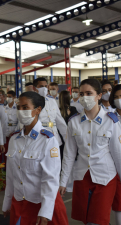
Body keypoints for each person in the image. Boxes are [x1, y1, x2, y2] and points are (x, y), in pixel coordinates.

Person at [59, 78, 121, 225]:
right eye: (81, 93)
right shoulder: (73, 122)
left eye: (89, 93)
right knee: (87, 220)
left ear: (99, 95)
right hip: (82, 177)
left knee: (98, 220)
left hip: (105, 177)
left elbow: (118, 154)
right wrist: (63, 181)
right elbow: (69, 154)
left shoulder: (111, 121)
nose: (84, 97)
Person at [2, 91, 68, 225]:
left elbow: (51, 179)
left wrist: (45, 212)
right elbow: (10, 176)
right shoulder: (14, 139)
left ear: (38, 110)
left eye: (25, 107)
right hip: (19, 203)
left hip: (41, 205)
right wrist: (7, 203)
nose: (21, 111)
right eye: (19, 107)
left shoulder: (47, 139)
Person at [32, 78, 67, 148]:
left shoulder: (52, 100)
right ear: (34, 88)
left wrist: (67, 140)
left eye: (45, 86)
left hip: (54, 138)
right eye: (41, 86)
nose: (44, 88)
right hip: (39, 139)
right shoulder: (31, 102)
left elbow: (60, 122)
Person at [109, 84, 121, 225]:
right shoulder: (110, 118)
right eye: (116, 97)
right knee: (119, 204)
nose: (119, 100)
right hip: (116, 165)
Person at [2, 90, 18, 164]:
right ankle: (5, 167)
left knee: (14, 150)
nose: (8, 98)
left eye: (10, 97)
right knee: (6, 150)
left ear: (14, 97)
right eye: (7, 97)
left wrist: (15, 131)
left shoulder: (18, 108)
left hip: (14, 131)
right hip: (6, 131)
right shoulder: (4, 108)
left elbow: (19, 122)